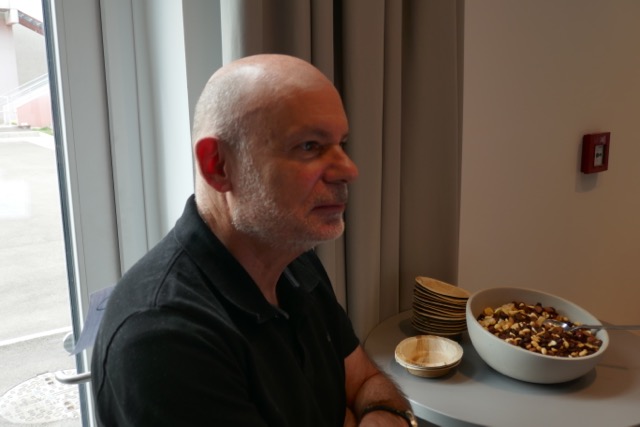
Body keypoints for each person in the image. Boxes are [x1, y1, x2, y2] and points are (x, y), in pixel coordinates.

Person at [91, 54, 417, 427]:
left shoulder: (293, 256)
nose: (349, 169)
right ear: (217, 165)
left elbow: (364, 380)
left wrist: (382, 411)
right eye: (309, 146)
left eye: (342, 143)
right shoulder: (164, 338)